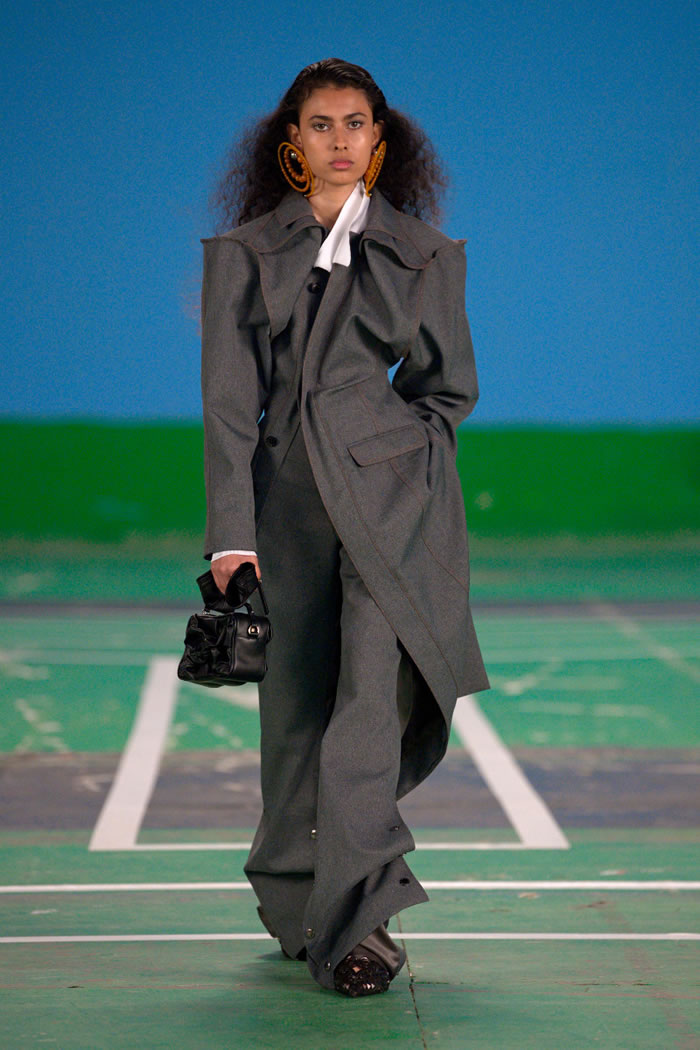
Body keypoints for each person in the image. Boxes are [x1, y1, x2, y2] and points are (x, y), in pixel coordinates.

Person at [200, 58, 489, 997]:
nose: (338, 139)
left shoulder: (426, 255)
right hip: (284, 508)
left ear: (379, 139)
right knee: (292, 717)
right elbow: (228, 408)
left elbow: (447, 390)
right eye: (319, 123)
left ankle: (361, 924)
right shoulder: (244, 254)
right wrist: (230, 536)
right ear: (293, 139)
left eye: (354, 123)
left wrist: (405, 458)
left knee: (367, 714)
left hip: (393, 507)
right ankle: (296, 898)